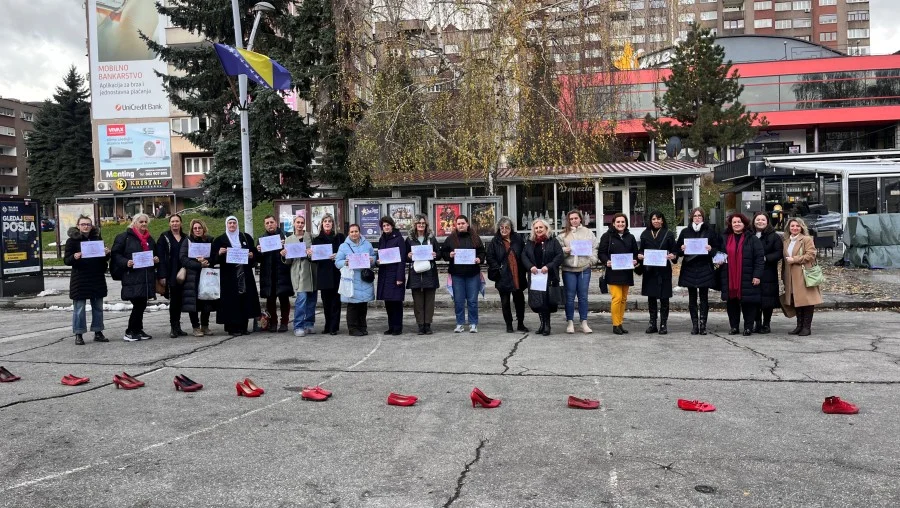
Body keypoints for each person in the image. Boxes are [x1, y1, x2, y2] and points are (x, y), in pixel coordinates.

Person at [111, 214, 160, 342]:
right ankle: (130, 331)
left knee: (142, 304)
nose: (143, 224)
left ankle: (138, 329)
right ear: (134, 223)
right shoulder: (124, 237)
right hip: (132, 276)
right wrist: (126, 262)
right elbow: (115, 254)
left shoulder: (149, 239)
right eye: (141, 222)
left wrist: (156, 259)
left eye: (145, 222)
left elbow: (154, 254)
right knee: (138, 304)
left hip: (145, 277)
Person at [64, 215, 110, 345]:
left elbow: (102, 259)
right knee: (79, 308)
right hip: (80, 279)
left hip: (96, 277)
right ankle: (79, 333)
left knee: (98, 308)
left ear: (91, 226)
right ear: (78, 226)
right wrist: (75, 256)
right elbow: (67, 260)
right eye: (83, 224)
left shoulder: (97, 239)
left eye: (88, 224)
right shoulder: (72, 241)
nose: (86, 226)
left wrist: (107, 253)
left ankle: (98, 332)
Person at [211, 216, 260, 335]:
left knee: (245, 299)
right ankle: (232, 328)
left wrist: (252, 255)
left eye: (234, 223)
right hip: (228, 276)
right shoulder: (220, 240)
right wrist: (219, 253)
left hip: (245, 274)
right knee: (231, 302)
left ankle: (243, 327)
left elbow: (255, 254)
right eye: (230, 223)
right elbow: (212, 259)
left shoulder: (245, 237)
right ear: (226, 225)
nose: (232, 225)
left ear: (237, 224)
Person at [718, 213, 765, 336]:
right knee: (732, 303)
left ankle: (748, 327)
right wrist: (716, 260)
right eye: (734, 222)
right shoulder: (724, 238)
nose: (737, 224)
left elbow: (759, 259)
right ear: (730, 224)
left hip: (748, 276)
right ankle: (734, 327)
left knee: (748, 303)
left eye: (739, 222)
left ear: (744, 223)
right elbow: (718, 253)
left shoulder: (753, 239)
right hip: (729, 276)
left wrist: (757, 275)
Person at [676, 207, 719, 335]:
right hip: (689, 268)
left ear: (703, 218)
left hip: (704, 267)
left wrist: (711, 249)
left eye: (699, 216)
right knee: (692, 298)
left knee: (704, 298)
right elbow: (677, 250)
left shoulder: (710, 232)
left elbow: (717, 250)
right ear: (691, 218)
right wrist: (681, 248)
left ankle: (703, 325)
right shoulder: (685, 232)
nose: (697, 218)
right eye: (695, 216)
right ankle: (695, 325)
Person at [440, 215, 486, 333]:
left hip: (472, 274)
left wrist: (479, 259)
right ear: (456, 225)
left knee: (472, 300)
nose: (461, 225)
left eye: (463, 223)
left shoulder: (475, 237)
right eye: (458, 223)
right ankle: (460, 323)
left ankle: (473, 324)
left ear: (467, 224)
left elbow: (482, 252)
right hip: (457, 274)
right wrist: (448, 255)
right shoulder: (451, 238)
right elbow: (443, 252)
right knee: (458, 300)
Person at [637, 211, 678, 335]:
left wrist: (673, 255)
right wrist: (640, 255)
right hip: (650, 271)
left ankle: (663, 324)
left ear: (662, 220)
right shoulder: (644, 234)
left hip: (664, 271)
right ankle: (652, 323)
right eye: (653, 219)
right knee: (652, 298)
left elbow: (675, 251)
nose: (656, 221)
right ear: (650, 220)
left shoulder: (669, 234)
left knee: (664, 298)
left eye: (658, 219)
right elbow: (641, 250)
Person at [558, 209, 598, 334]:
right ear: (568, 221)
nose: (574, 221)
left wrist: (592, 260)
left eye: (576, 218)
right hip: (568, 269)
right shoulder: (562, 235)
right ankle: (570, 322)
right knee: (569, 297)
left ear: (580, 219)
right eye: (571, 219)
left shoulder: (588, 233)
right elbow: (557, 252)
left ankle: (584, 322)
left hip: (584, 269)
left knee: (583, 297)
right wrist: (565, 250)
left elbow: (595, 247)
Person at [598, 213, 639, 335]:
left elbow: (635, 253)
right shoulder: (607, 236)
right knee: (617, 298)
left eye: (623, 222)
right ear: (613, 223)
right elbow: (601, 253)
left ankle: (620, 322)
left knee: (624, 299)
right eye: (618, 222)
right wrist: (606, 261)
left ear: (626, 223)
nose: (620, 224)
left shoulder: (630, 237)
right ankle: (615, 324)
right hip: (613, 272)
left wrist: (635, 260)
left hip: (626, 272)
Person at [522, 218, 564, 336]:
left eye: (541, 227)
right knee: (538, 302)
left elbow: (559, 256)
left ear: (546, 228)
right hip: (535, 276)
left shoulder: (553, 241)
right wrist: (530, 267)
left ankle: (547, 325)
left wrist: (549, 266)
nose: (538, 230)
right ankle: (541, 324)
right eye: (536, 228)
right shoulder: (530, 242)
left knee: (547, 302)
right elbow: (524, 256)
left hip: (549, 276)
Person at [486, 217, 528, 333]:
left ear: (511, 228)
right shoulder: (495, 241)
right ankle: (509, 325)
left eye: (507, 228)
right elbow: (490, 257)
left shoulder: (518, 238)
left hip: (517, 274)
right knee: (505, 302)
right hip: (503, 275)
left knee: (519, 301)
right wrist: (497, 268)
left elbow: (524, 253)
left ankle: (520, 323)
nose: (504, 230)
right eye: (502, 228)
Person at [782, 217, 823, 336]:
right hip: (790, 276)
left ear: (802, 227)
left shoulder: (806, 239)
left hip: (804, 274)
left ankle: (806, 327)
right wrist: (783, 277)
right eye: (792, 226)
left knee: (807, 301)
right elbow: (785, 261)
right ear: (788, 228)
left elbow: (811, 255)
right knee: (796, 300)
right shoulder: (786, 241)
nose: (795, 228)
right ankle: (799, 326)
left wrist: (795, 259)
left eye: (797, 226)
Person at [335, 224, 375, 336]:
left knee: (363, 305)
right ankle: (353, 328)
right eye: (352, 232)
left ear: (360, 232)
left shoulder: (367, 244)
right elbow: (337, 262)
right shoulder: (344, 246)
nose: (354, 234)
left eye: (356, 231)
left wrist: (372, 260)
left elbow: (374, 257)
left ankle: (362, 327)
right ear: (349, 233)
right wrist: (345, 263)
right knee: (353, 306)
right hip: (351, 279)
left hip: (364, 278)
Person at [179, 219, 216, 336]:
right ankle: (195, 327)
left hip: (206, 275)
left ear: (203, 228)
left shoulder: (210, 240)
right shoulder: (188, 241)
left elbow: (215, 257)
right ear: (192, 230)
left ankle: (205, 326)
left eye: (199, 228)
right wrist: (198, 264)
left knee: (206, 300)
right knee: (193, 302)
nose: (197, 230)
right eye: (195, 228)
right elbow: (183, 258)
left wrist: (207, 261)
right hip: (192, 276)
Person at [258, 215, 293, 332]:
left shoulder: (285, 237)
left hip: (282, 273)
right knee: (270, 301)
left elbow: (291, 254)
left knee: (284, 300)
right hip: (268, 274)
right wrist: (258, 251)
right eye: (267, 223)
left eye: (271, 222)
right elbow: (258, 259)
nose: (269, 225)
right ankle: (273, 322)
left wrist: (285, 247)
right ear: (264, 225)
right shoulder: (261, 239)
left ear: (276, 223)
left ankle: (284, 323)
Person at [405, 214, 439, 335]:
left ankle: (427, 325)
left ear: (426, 225)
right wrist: (408, 256)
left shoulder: (431, 238)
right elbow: (404, 256)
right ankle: (420, 325)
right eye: (419, 223)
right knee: (418, 303)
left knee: (429, 302)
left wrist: (435, 255)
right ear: (415, 225)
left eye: (423, 223)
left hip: (429, 274)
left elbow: (438, 254)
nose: (421, 225)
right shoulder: (409, 240)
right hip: (415, 274)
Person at [283, 215, 316, 337]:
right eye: (298, 222)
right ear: (294, 224)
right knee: (301, 299)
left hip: (311, 271)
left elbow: (316, 253)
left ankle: (309, 323)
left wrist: (311, 253)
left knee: (312, 299)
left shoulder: (310, 236)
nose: (300, 224)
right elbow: (288, 262)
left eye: (302, 222)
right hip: (298, 272)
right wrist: (285, 255)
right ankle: (298, 325)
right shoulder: (289, 239)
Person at [312, 214, 345, 335]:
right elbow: (314, 260)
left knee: (336, 302)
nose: (327, 223)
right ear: (321, 224)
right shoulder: (317, 239)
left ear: (333, 224)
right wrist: (311, 254)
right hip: (324, 274)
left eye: (330, 221)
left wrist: (338, 255)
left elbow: (346, 252)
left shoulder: (340, 237)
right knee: (326, 302)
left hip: (337, 273)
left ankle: (334, 327)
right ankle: (327, 325)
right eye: (325, 221)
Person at [156, 214, 188, 338]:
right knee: (174, 301)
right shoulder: (164, 237)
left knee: (180, 301)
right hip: (171, 273)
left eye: (177, 221)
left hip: (184, 272)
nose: (175, 223)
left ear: (181, 223)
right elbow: (161, 257)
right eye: (172, 221)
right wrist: (162, 275)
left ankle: (179, 327)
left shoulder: (186, 237)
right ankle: (173, 327)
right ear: (169, 223)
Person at [752, 211, 783, 333]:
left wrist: (766, 258)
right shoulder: (750, 235)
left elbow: (779, 252)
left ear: (767, 222)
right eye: (758, 219)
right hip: (753, 270)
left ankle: (766, 323)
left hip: (768, 271)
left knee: (767, 299)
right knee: (754, 299)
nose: (760, 222)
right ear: (754, 221)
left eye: (763, 220)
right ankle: (757, 323)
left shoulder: (774, 236)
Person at [376, 216, 408, 335]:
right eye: (384, 226)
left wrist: (400, 277)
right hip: (384, 274)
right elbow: (380, 256)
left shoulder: (399, 239)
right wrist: (378, 262)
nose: (386, 227)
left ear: (392, 225)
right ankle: (391, 327)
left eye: (388, 225)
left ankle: (397, 327)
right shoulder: (382, 239)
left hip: (395, 274)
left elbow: (402, 260)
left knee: (396, 303)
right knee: (388, 302)